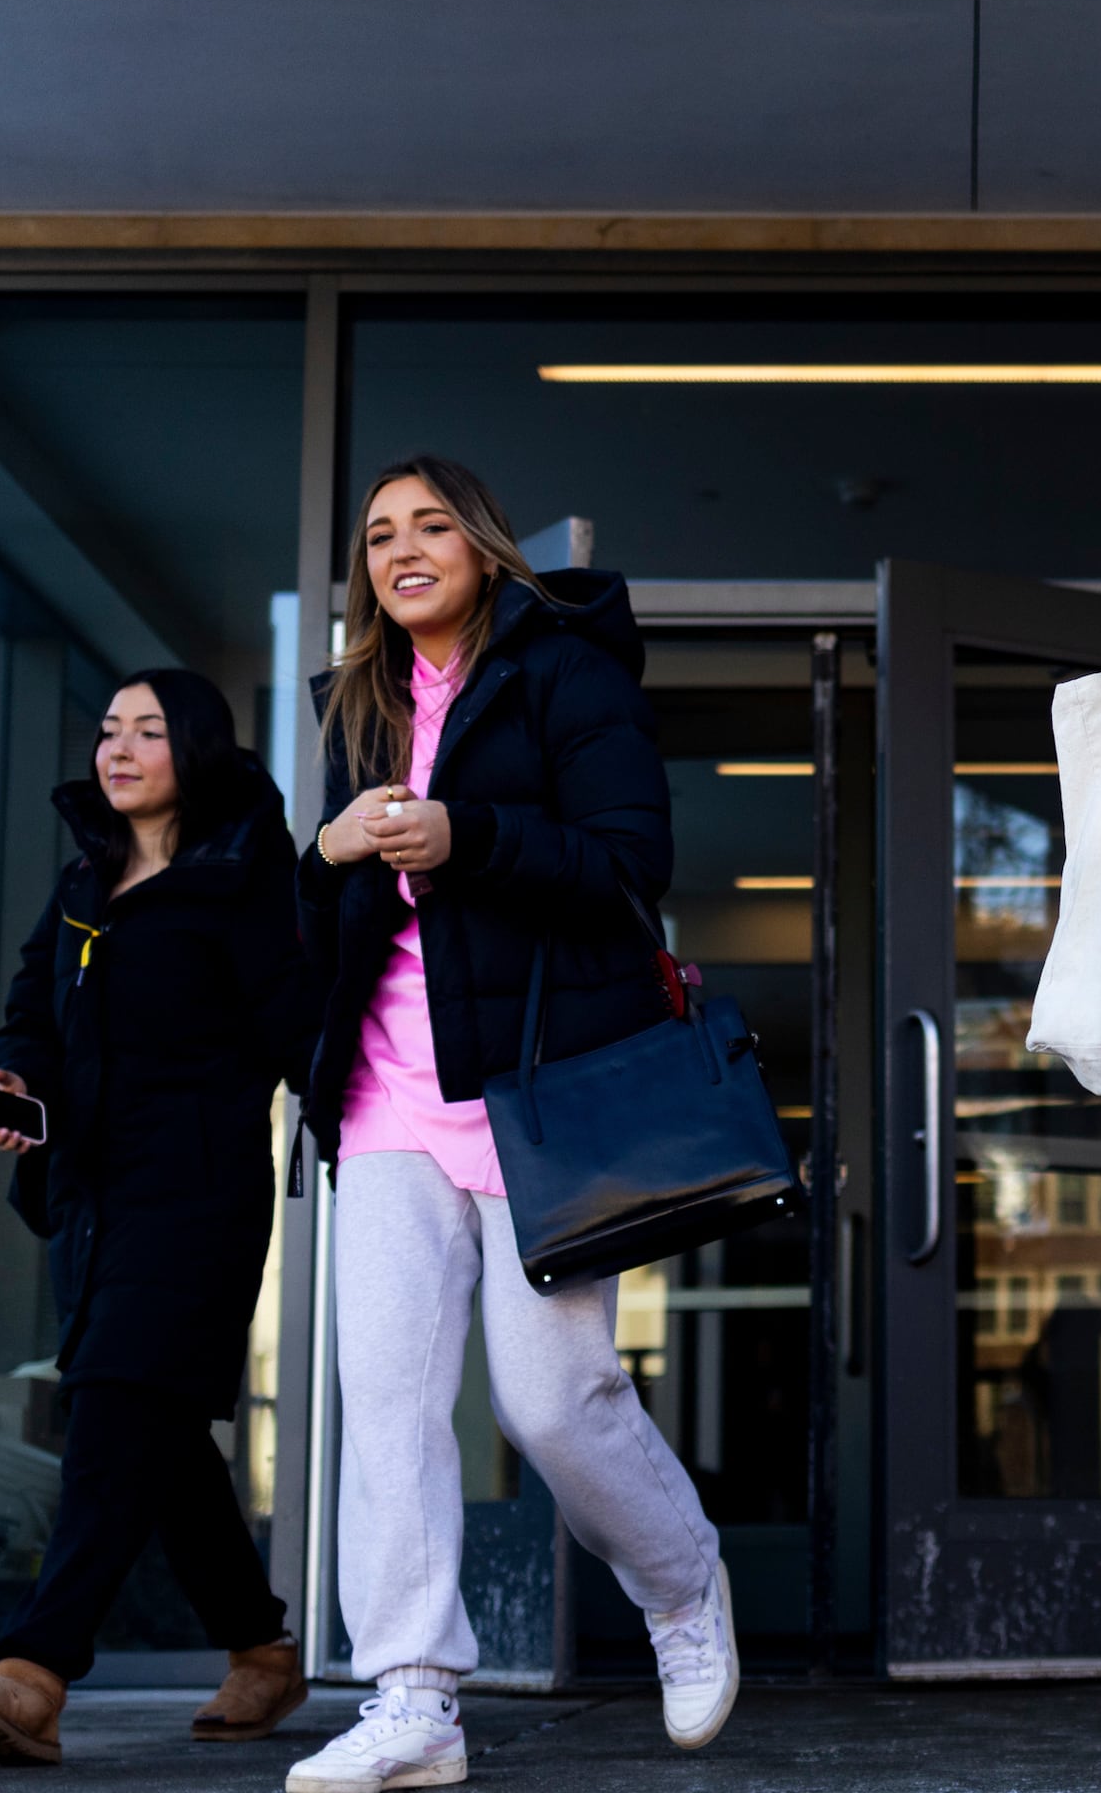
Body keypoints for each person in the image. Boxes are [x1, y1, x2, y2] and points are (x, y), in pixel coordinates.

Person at [276, 454, 735, 1793]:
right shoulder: (357, 705)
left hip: (533, 1094)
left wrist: (464, 837)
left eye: (429, 527)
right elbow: (323, 917)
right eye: (377, 537)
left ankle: (681, 1581)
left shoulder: (563, 669)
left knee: (549, 1405)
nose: (401, 550)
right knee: (395, 1405)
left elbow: (628, 862)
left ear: (480, 545)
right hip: (383, 1096)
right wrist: (326, 857)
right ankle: (413, 1698)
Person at [0, 669, 316, 1766]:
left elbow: (294, 1023)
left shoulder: (245, 872)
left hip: (197, 1188)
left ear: (198, 748)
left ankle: (34, 1675)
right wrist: (24, 1091)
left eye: (147, 730)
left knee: (112, 1408)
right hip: (96, 1190)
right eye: (106, 730)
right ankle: (262, 1653)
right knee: (161, 1432)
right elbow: (31, 1009)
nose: (117, 749)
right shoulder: (89, 877)